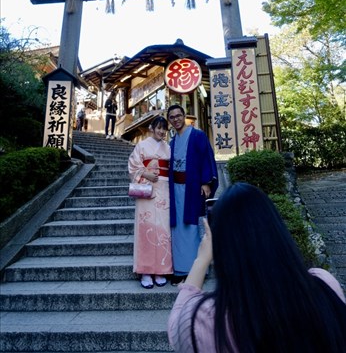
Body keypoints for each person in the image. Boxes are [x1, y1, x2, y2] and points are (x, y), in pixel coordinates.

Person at [168, 182, 346, 352]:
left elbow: (177, 330)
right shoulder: (323, 285)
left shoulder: (207, 320)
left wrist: (201, 260)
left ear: (223, 246)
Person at [167, 104, 218, 286]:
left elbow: (206, 157)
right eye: (172, 117)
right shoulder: (171, 142)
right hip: (175, 188)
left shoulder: (197, 136)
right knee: (177, 228)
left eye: (178, 115)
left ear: (184, 116)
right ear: (169, 120)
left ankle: (194, 269)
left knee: (191, 227)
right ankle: (180, 270)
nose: (176, 119)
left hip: (192, 187)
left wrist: (205, 182)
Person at [128, 115, 172, 289]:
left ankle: (160, 270)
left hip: (164, 189)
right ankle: (145, 271)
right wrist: (145, 174)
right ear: (151, 128)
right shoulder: (142, 145)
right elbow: (132, 164)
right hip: (146, 189)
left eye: (164, 128)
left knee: (163, 228)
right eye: (158, 127)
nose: (161, 131)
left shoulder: (168, 147)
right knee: (146, 228)